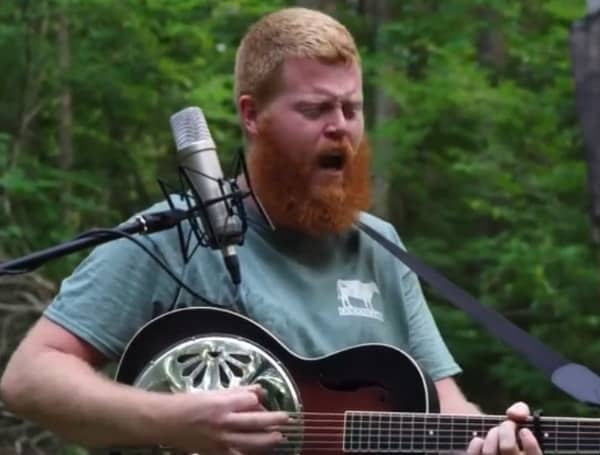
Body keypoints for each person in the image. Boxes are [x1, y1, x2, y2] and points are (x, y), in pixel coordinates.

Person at [1, 7, 542, 455]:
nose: (341, 127)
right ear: (252, 115)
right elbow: (29, 377)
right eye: (315, 109)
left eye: (351, 108)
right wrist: (169, 419)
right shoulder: (176, 237)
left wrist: (491, 437)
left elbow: (445, 405)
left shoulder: (381, 246)